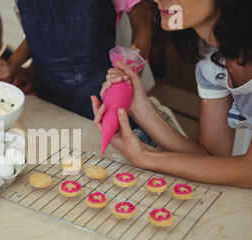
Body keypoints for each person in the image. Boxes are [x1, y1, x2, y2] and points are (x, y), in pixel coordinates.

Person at [92, 0, 252, 188]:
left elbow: (248, 172)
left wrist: (146, 157)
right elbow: (210, 159)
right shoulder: (210, 57)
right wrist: (140, 108)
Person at [0, 0, 152, 120]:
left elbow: (142, 26)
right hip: (46, 97)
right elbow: (40, 30)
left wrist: (128, 76)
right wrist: (11, 65)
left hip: (100, 98)